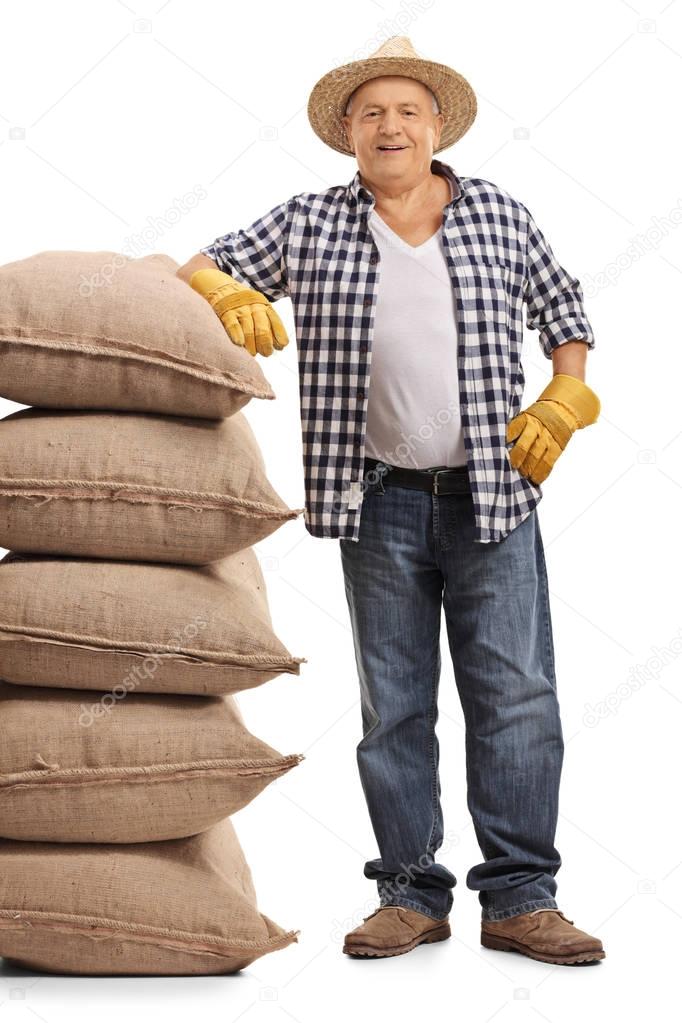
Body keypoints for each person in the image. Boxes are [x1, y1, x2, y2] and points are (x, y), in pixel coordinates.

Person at [177, 35, 604, 966]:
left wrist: (565, 395)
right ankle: (410, 892)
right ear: (347, 136)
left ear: (437, 126)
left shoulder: (497, 214)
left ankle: (523, 896)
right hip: (377, 502)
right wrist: (221, 292)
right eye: (370, 113)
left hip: (497, 495)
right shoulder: (311, 222)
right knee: (395, 707)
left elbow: (565, 310)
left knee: (517, 698)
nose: (390, 125)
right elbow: (196, 265)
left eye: (407, 109)